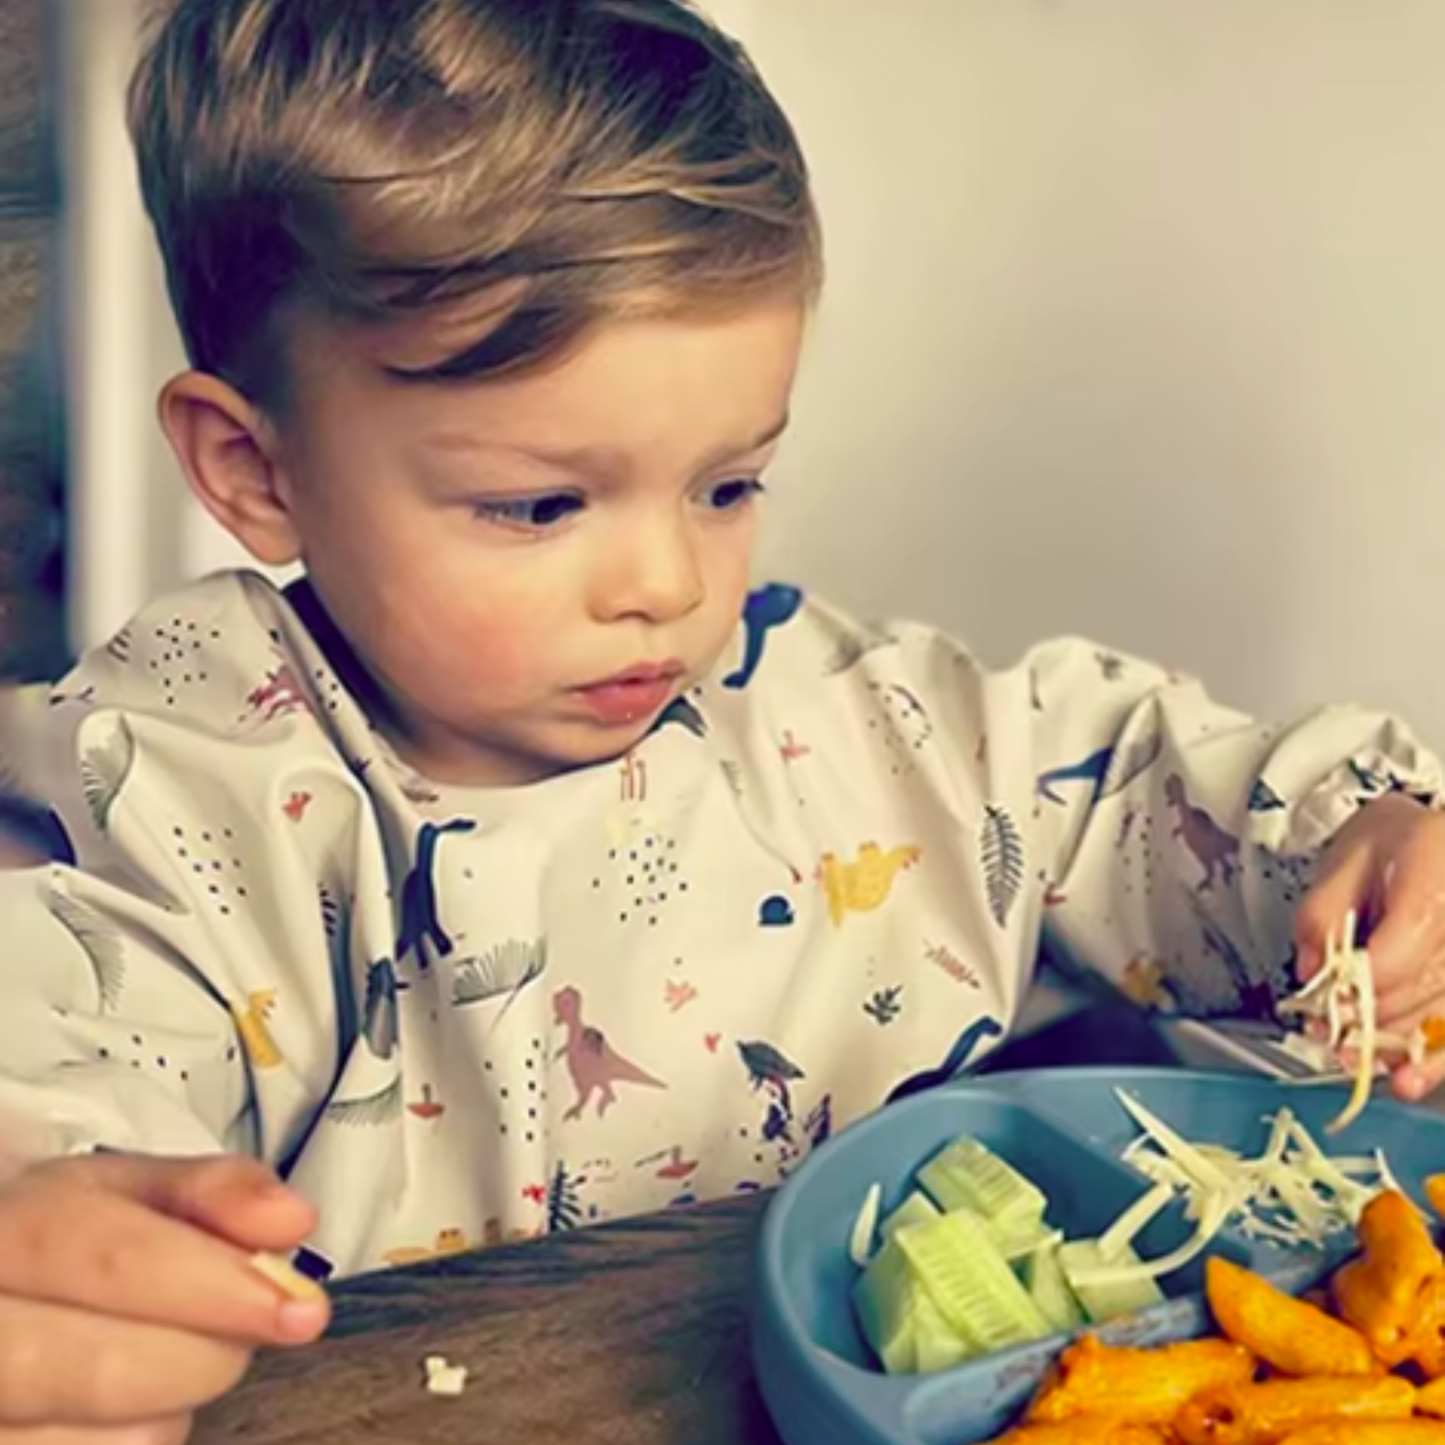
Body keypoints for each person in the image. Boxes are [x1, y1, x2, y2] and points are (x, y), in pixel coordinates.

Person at [3, 0, 1445, 1437]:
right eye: (539, 504)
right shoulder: (180, 798)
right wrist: (43, 1217)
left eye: (728, 484)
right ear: (256, 469)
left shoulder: (868, 730)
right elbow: (49, 1025)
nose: (667, 584)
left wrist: (1362, 854)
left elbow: (1139, 786)